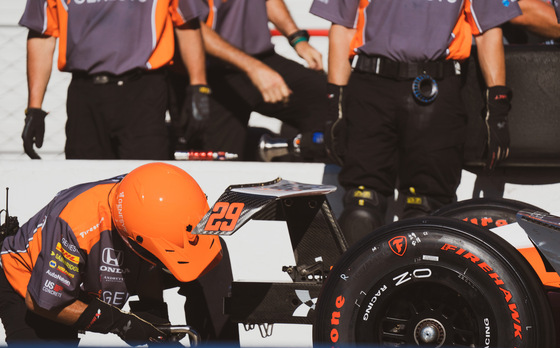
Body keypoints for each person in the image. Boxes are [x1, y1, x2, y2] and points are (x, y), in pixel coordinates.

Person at [310, 0, 521, 245]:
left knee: (427, 208)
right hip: (371, 84)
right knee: (362, 203)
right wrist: (335, 103)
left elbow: (488, 31)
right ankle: (355, 282)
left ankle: (424, 283)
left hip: (437, 85)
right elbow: (342, 26)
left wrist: (497, 108)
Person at [0, 162, 223, 345]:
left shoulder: (149, 195)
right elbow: (43, 302)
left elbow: (148, 261)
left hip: (94, 263)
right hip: (29, 283)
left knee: (211, 261)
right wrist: (120, 323)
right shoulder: (75, 225)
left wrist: (154, 316)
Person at [19, 0, 211, 160]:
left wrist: (198, 87)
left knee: (143, 181)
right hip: (85, 95)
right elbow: (42, 33)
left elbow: (186, 24)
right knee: (86, 184)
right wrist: (34, 109)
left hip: (143, 92)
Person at [170, 0, 328, 161]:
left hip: (261, 59)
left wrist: (297, 39)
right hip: (209, 73)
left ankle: (319, 173)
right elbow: (189, 26)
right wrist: (253, 68)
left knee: (330, 100)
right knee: (221, 164)